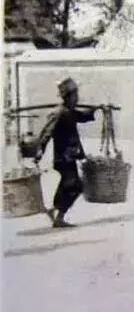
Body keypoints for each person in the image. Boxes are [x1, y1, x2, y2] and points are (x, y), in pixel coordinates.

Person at [35, 78, 100, 228]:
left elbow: (82, 117)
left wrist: (95, 110)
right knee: (74, 185)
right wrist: (40, 150)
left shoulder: (69, 112)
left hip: (69, 156)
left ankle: (55, 211)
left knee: (70, 185)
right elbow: (47, 132)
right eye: (75, 95)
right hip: (63, 157)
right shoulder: (59, 113)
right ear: (68, 97)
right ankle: (57, 214)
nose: (77, 98)